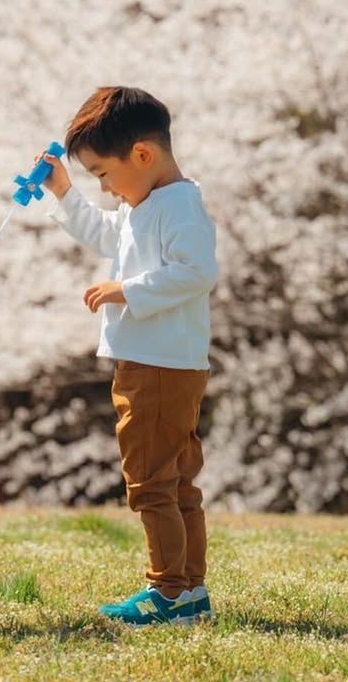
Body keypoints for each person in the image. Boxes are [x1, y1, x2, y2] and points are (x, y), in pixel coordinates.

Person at [41, 86, 217, 627]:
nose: (106, 188)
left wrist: (126, 289)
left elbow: (196, 272)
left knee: (150, 480)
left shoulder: (178, 206)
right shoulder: (144, 204)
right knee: (176, 479)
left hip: (159, 365)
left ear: (142, 155)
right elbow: (103, 232)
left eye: (102, 174)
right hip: (156, 362)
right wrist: (64, 192)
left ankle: (168, 591)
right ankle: (188, 589)